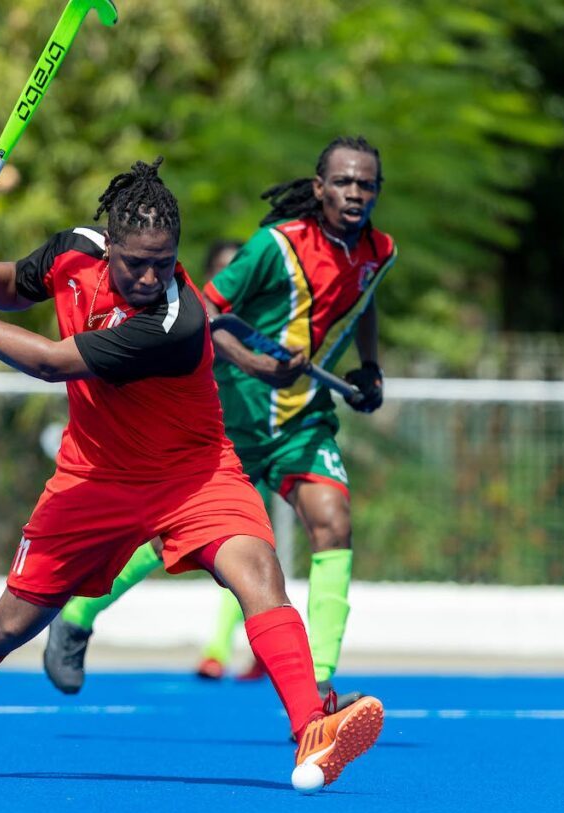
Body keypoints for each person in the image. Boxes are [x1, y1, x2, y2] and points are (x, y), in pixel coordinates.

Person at [0, 158, 384, 789]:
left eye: (165, 260)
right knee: (8, 625)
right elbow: (14, 286)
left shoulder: (176, 321)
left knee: (259, 572)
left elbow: (49, 363)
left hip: (194, 472)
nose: (152, 275)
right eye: (136, 262)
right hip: (92, 479)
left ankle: (310, 727)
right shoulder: (75, 251)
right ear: (111, 249)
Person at [44, 137, 396, 706]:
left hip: (303, 419)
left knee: (333, 522)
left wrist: (371, 366)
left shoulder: (380, 250)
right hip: (233, 414)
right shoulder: (275, 248)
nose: (356, 193)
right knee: (170, 540)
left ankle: (322, 682)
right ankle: (78, 615)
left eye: (366, 184)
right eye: (344, 182)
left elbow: (367, 296)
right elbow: (198, 313)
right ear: (318, 188)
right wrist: (256, 364)